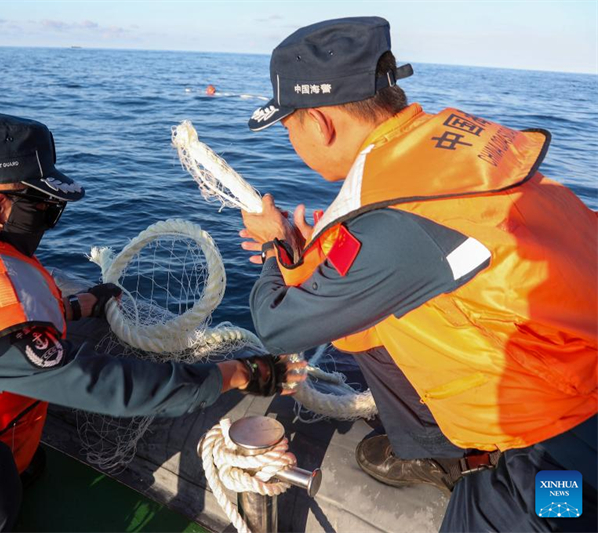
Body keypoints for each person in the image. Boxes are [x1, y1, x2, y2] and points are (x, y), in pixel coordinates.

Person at [0, 111, 307, 532]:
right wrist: (239, 372)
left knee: (25, 462)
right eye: (46, 210)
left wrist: (76, 307)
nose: (49, 222)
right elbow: (107, 385)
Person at [239, 17, 596, 532]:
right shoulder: (446, 154)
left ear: (319, 123)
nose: (292, 140)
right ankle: (440, 453)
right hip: (571, 362)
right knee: (366, 321)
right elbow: (397, 265)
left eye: (288, 127)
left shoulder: (400, 221)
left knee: (536, 513)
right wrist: (307, 256)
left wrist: (275, 243)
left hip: (558, 448)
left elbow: (278, 324)